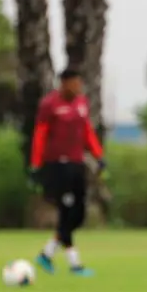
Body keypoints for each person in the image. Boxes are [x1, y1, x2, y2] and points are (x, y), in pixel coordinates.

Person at [30, 67, 106, 277]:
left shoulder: (81, 103)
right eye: (74, 83)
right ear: (63, 83)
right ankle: (75, 264)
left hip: (76, 163)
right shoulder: (49, 105)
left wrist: (99, 155)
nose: (78, 87)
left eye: (79, 83)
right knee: (66, 212)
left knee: (78, 214)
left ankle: (47, 254)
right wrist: (36, 164)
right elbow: (40, 134)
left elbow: (87, 132)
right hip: (57, 164)